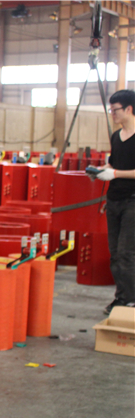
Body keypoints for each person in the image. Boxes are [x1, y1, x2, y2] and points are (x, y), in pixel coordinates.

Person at [96, 89, 135, 314]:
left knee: (127, 253)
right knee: (115, 253)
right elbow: (114, 164)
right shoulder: (116, 136)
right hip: (114, 200)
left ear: (129, 109)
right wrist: (101, 170)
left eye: (115, 110)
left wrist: (116, 174)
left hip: (132, 201)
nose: (112, 114)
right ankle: (122, 297)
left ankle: (130, 301)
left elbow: (120, 171)